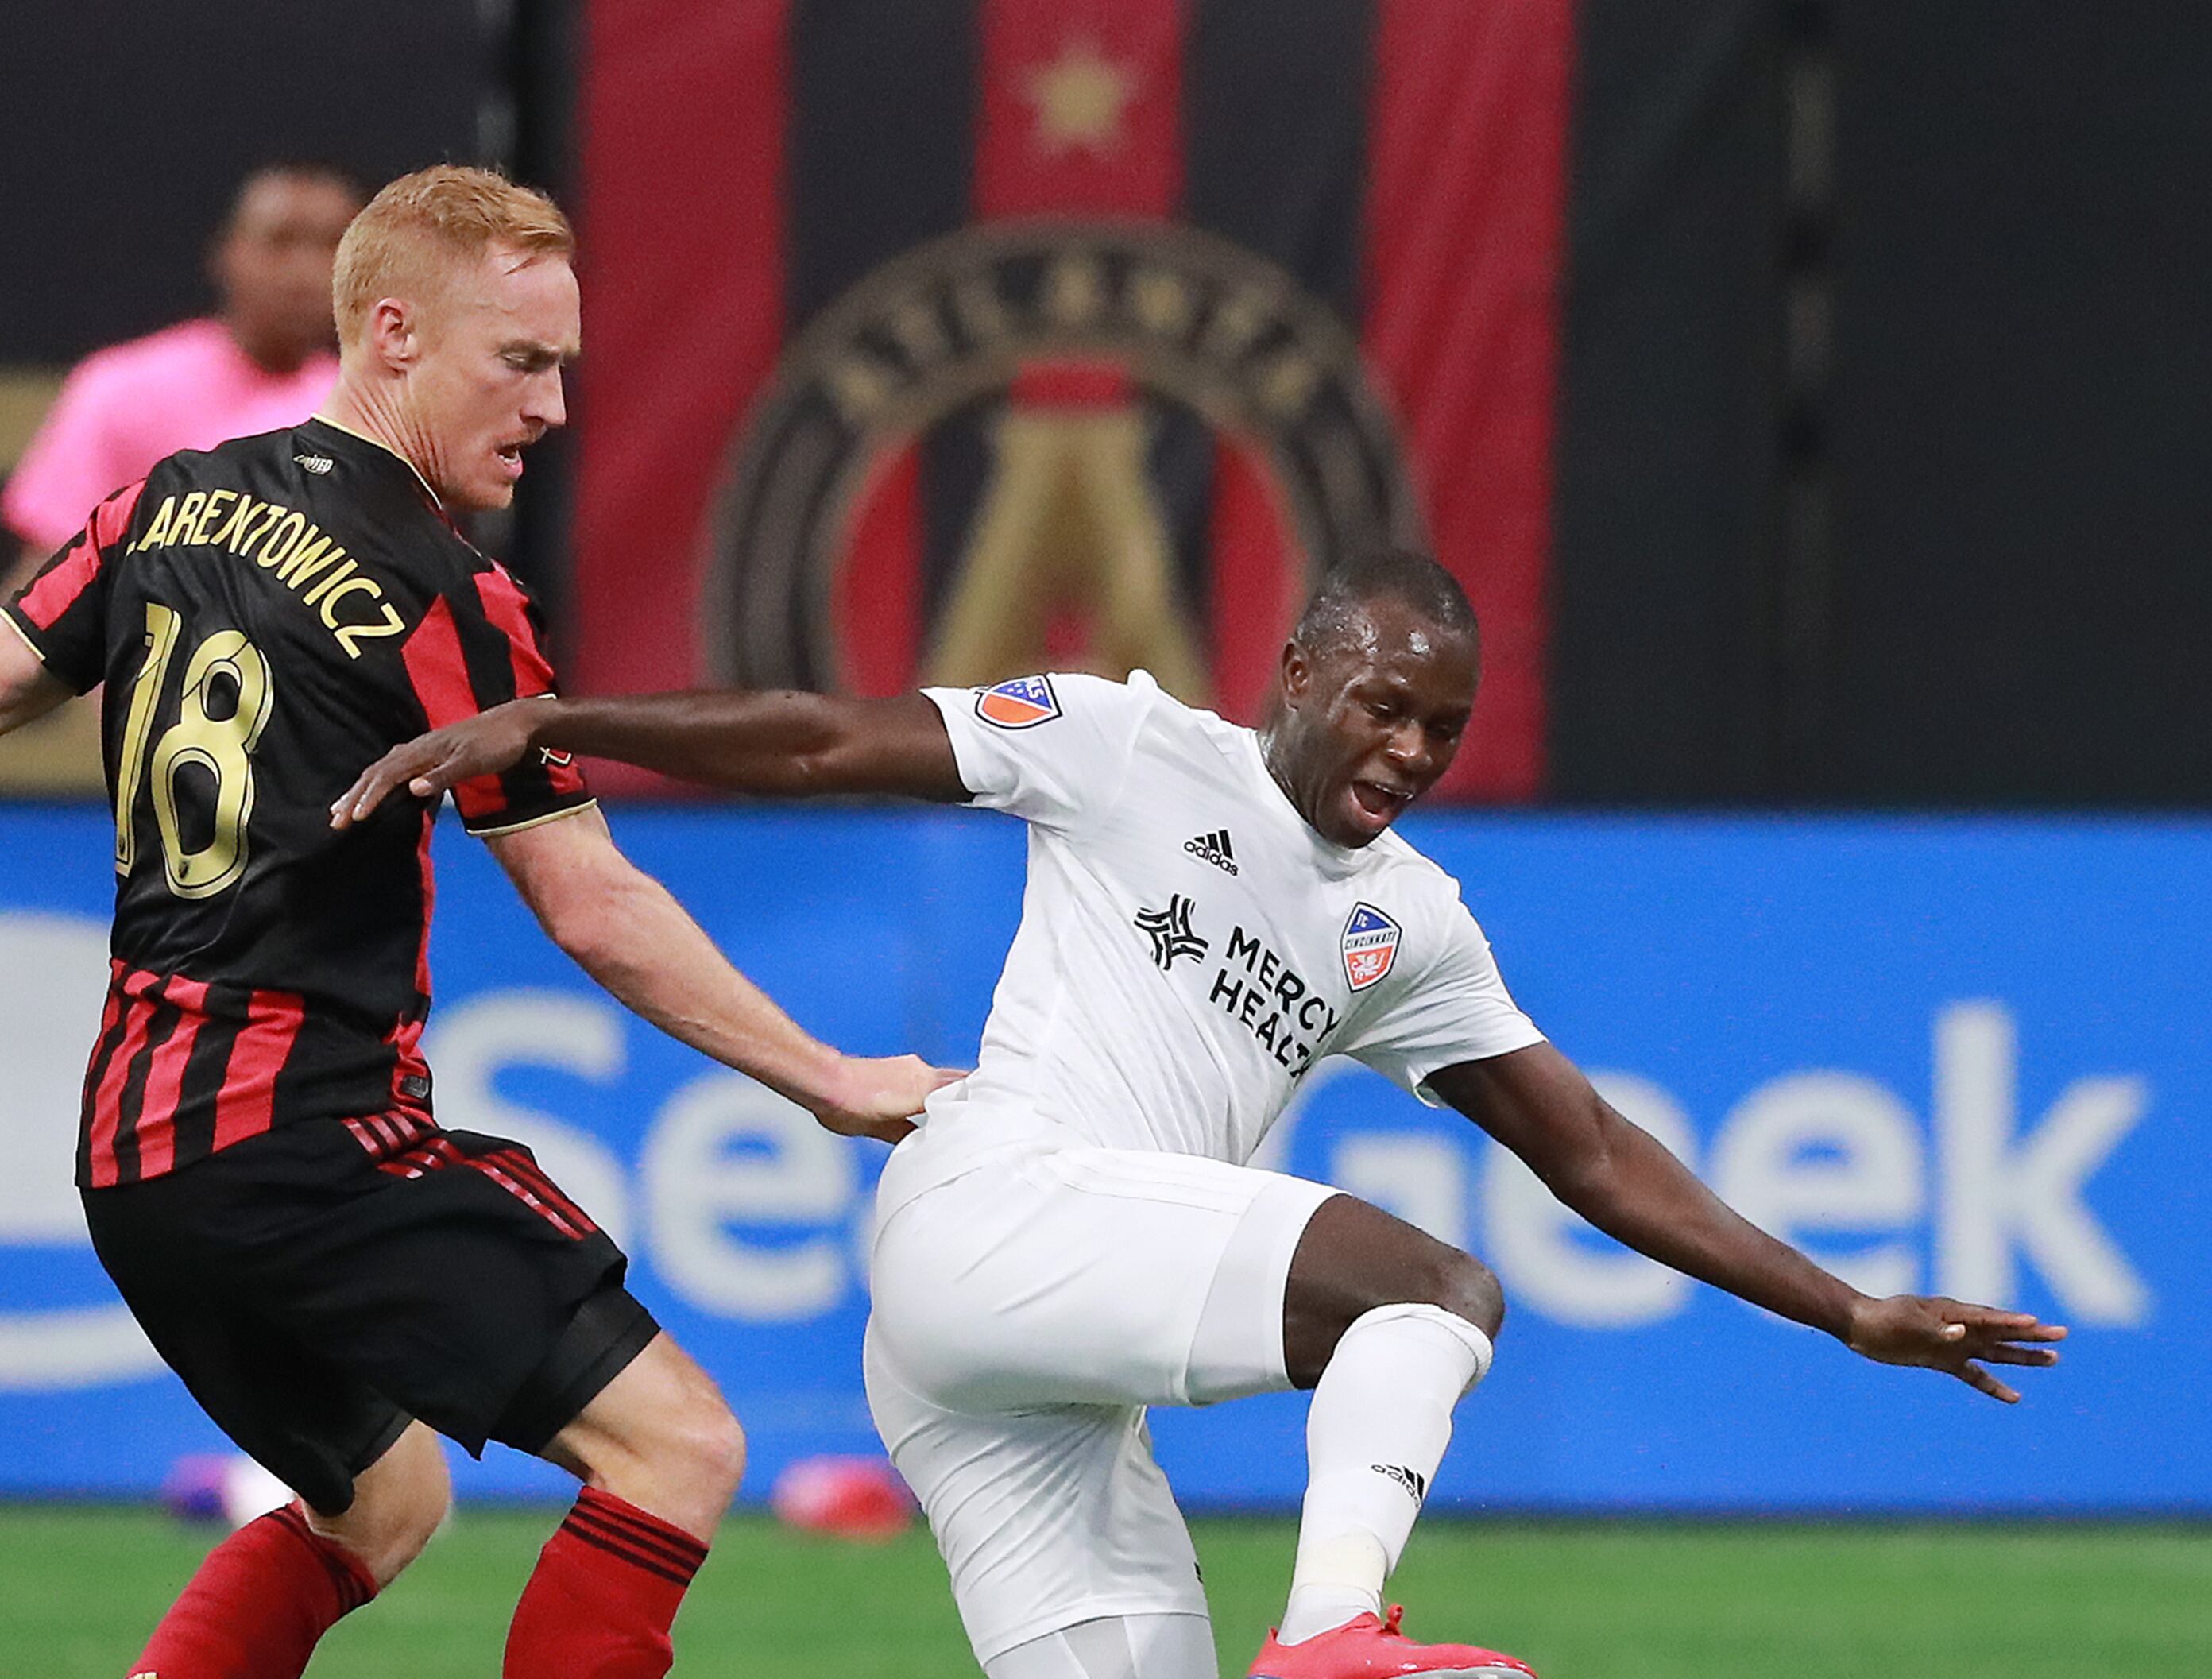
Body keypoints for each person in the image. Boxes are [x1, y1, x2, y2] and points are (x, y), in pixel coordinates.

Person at [0, 165, 950, 1679]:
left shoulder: (166, 504)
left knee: (380, 1505)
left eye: (562, 370)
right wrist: (832, 1078)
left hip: (136, 1156)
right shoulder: (447, 596)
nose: (548, 408)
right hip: (301, 1140)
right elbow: (592, 906)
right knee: (677, 1446)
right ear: (393, 335)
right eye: (519, 362)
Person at [331, 550, 2069, 1679]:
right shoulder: (1121, 743)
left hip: (1016, 1386)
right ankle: (1331, 1638)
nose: (1406, 749)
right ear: (1301, 662)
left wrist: (1846, 1307)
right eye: (1383, 701)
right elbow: (815, 744)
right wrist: (572, 718)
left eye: (1442, 730)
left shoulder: (1412, 924)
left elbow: (1592, 1152)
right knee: (1434, 1296)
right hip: (991, 1207)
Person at [0, 161, 365, 559]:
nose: (304, 273)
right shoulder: (120, 390)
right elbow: (49, 580)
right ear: (226, 252)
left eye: (332, 245)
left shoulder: (370, 416)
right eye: (280, 242)